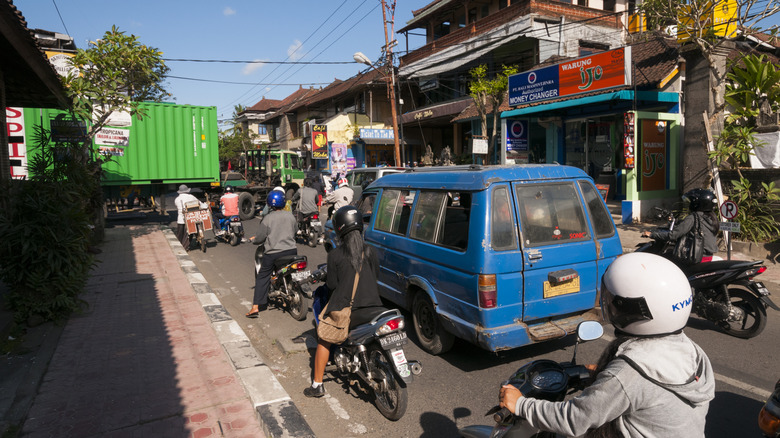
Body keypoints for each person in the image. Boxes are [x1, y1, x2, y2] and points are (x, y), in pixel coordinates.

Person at [499, 252, 715, 437]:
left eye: (612, 300)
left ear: (631, 311)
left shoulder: (628, 374)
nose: (607, 303)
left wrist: (521, 404)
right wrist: (604, 374)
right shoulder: (693, 352)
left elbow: (575, 419)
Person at [303, 206, 385, 398]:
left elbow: (331, 285)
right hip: (376, 306)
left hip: (349, 310)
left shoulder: (335, 255)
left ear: (339, 229)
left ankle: (317, 385)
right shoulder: (371, 251)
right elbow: (376, 276)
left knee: (324, 337)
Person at [247, 190, 298, 318]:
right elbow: (295, 231)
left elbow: (260, 238)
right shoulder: (290, 216)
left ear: (269, 203)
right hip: (292, 251)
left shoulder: (267, 218)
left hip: (273, 254)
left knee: (263, 276)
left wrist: (254, 240)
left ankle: (255, 307)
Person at [641, 188, 720, 263]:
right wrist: (675, 222)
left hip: (696, 256)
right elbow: (688, 227)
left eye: (690, 202)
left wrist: (651, 234)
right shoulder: (711, 218)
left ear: (696, 204)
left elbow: (673, 235)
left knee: (665, 259)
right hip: (707, 256)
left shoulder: (693, 217)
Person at [174, 184, 205, 250]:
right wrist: (205, 205)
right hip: (190, 219)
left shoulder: (177, 199)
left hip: (181, 220)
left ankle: (179, 246)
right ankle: (185, 247)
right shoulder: (191, 197)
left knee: (180, 234)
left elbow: (177, 207)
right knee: (188, 234)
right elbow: (200, 204)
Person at [291, 177, 323, 242]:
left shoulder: (300, 190)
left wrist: (292, 201)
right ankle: (320, 236)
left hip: (303, 212)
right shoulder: (315, 191)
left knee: (297, 218)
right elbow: (317, 200)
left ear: (304, 183)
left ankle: (298, 230)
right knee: (317, 220)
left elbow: (294, 198)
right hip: (314, 211)